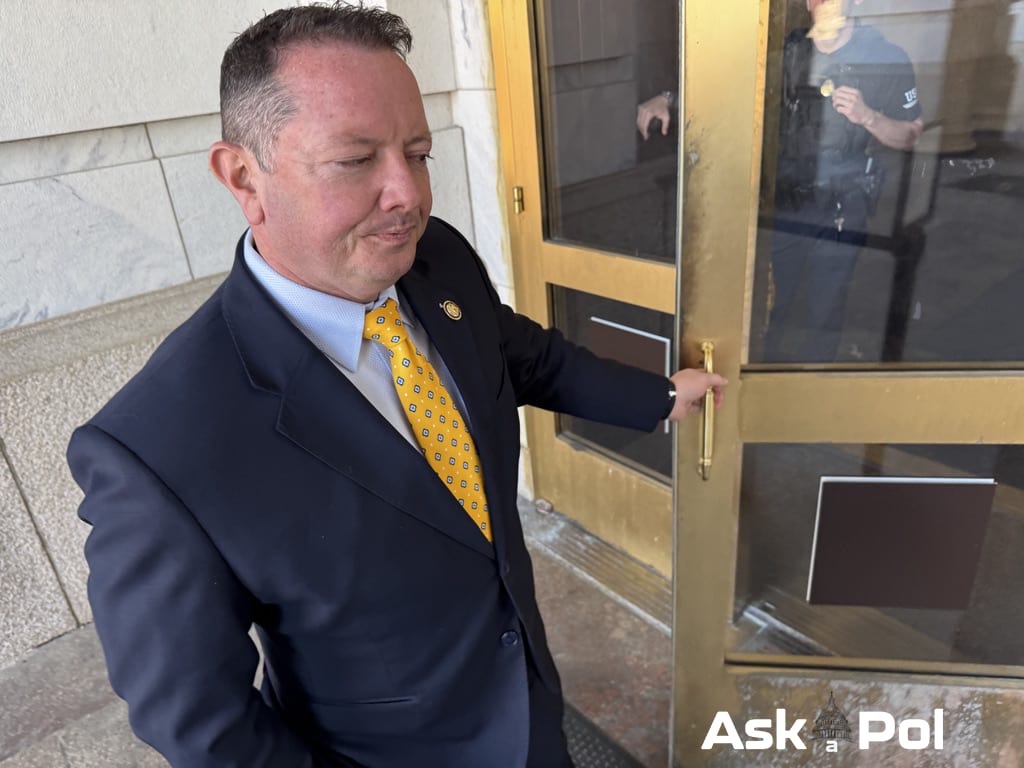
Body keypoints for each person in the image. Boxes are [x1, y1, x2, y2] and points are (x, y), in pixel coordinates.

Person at [66, 4, 726, 767]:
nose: (407, 195)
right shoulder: (157, 449)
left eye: (417, 153)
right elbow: (199, 722)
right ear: (244, 177)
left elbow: (521, 354)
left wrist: (655, 397)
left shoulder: (434, 259)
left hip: (534, 713)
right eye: (356, 160)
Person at [762, 0, 924, 362]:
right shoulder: (786, 50)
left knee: (825, 310)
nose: (822, 2)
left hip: (840, 210)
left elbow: (911, 134)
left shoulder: (885, 58)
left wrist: (867, 116)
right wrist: (669, 99)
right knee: (770, 306)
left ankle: (816, 391)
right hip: (784, 207)